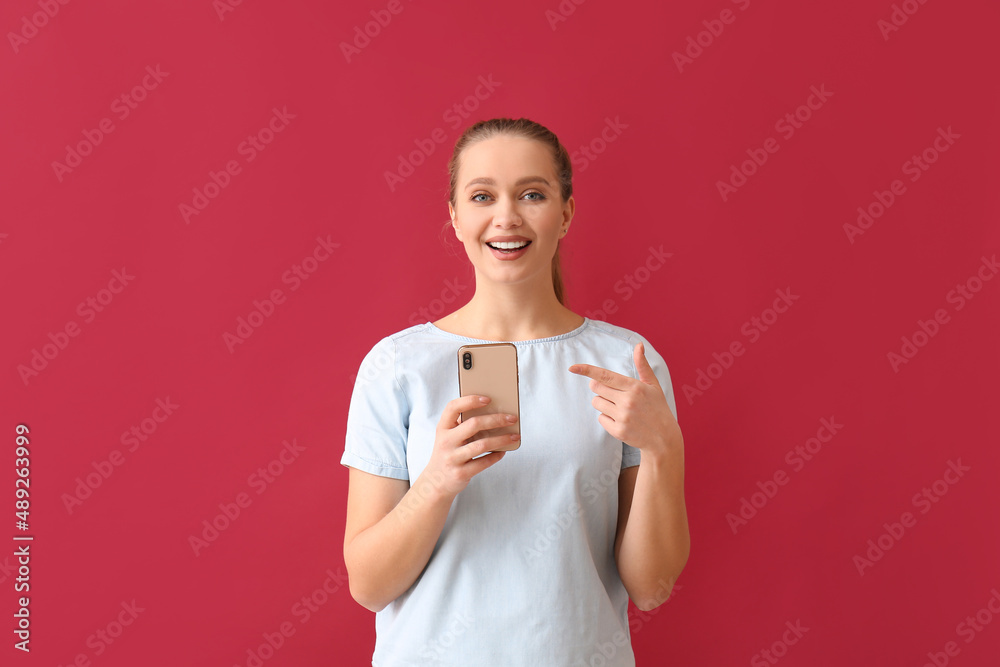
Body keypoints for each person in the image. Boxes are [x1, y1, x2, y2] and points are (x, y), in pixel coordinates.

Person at [341, 117, 689, 666]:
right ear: (456, 218)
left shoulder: (627, 364)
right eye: (482, 195)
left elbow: (651, 588)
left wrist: (663, 451)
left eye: (532, 193)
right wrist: (437, 481)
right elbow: (368, 586)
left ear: (566, 213)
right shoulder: (396, 367)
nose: (506, 216)